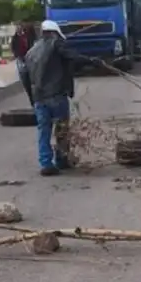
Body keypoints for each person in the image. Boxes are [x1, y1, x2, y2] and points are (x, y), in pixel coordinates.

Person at [25, 20, 100, 176]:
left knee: (44, 130)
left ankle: (46, 163)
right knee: (62, 129)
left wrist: (32, 98)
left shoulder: (31, 52)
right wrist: (92, 61)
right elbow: (73, 57)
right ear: (55, 33)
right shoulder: (56, 44)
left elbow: (25, 76)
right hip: (56, 95)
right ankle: (62, 159)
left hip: (39, 97)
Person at [11, 21, 37, 106]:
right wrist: (17, 56)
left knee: (33, 80)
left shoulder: (28, 36)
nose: (19, 29)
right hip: (21, 60)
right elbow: (13, 48)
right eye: (17, 27)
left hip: (30, 59)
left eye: (20, 27)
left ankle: (35, 100)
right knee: (25, 81)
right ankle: (32, 100)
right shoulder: (15, 38)